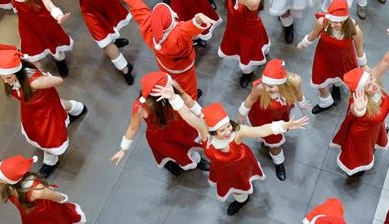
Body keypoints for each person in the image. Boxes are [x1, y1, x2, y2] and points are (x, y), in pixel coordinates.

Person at [154, 80, 308, 214]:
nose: (228, 131)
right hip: (221, 168)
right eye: (222, 130)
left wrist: (284, 125)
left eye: (228, 126)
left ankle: (242, 199)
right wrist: (173, 97)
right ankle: (240, 198)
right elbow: (188, 115)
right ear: (213, 131)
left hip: (241, 164)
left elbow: (261, 130)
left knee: (241, 184)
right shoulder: (204, 131)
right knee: (231, 185)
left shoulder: (238, 132)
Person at [109, 0, 216, 99]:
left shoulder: (148, 24)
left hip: (165, 65)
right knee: (188, 89)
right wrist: (198, 19)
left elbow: (133, 0)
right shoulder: (177, 34)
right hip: (184, 68)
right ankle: (192, 100)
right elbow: (188, 28)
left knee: (173, 83)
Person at [0, 50, 85, 177]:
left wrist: (45, 78)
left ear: (18, 72)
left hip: (45, 111)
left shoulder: (34, 82)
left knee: (47, 136)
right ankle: (78, 108)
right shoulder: (14, 78)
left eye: (8, 77)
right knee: (59, 105)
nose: (5, 81)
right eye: (2, 77)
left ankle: (50, 161)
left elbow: (58, 81)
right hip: (34, 110)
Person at [331, 29, 389, 175]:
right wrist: (360, 110)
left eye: (370, 79)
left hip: (377, 125)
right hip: (361, 134)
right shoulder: (357, 101)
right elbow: (356, 109)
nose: (373, 83)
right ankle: (357, 169)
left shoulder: (371, 80)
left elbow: (385, 61)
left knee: (374, 140)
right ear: (361, 92)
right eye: (368, 85)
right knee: (360, 153)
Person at [110, 71, 210, 176]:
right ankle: (170, 162)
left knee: (186, 143)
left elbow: (186, 98)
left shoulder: (172, 84)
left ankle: (196, 160)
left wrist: (202, 115)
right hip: (160, 136)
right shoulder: (140, 107)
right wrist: (123, 149)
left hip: (179, 123)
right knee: (171, 151)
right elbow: (132, 128)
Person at [196, 0, 269, 87]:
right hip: (234, 27)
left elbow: (244, 1)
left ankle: (248, 73)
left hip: (249, 31)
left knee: (248, 53)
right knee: (238, 48)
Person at [0, 154, 86, 224]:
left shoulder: (35, 191)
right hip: (37, 216)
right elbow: (57, 197)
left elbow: (55, 197)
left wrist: (60, 198)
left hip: (48, 214)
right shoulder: (14, 186)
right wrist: (62, 198)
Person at [237, 59, 309, 181]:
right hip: (263, 117)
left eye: (270, 86)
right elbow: (250, 99)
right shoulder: (260, 87)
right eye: (265, 84)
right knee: (273, 141)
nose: (266, 89)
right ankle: (278, 161)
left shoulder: (295, 81)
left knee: (279, 132)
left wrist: (302, 104)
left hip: (281, 114)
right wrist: (241, 114)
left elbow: (298, 93)